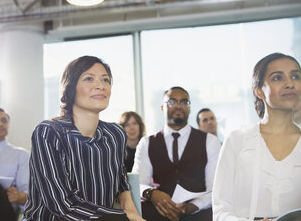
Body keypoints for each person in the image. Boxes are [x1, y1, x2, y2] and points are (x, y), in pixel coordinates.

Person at [22, 56, 144, 221]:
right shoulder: (48, 132)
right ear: (70, 87)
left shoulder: (116, 134)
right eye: (89, 79)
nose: (100, 86)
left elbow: (120, 176)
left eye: (106, 80)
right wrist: (124, 218)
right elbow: (62, 205)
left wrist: (129, 206)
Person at [212, 53, 301, 221]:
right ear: (259, 90)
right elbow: (220, 210)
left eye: (295, 76)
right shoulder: (237, 140)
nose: (290, 84)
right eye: (277, 78)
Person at [132, 86, 221, 221]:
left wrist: (192, 206)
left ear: (189, 108)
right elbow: (137, 183)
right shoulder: (146, 143)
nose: (179, 106)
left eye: (184, 102)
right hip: (156, 214)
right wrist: (153, 194)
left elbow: (214, 188)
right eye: (172, 102)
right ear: (162, 108)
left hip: (198, 214)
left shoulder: (210, 142)